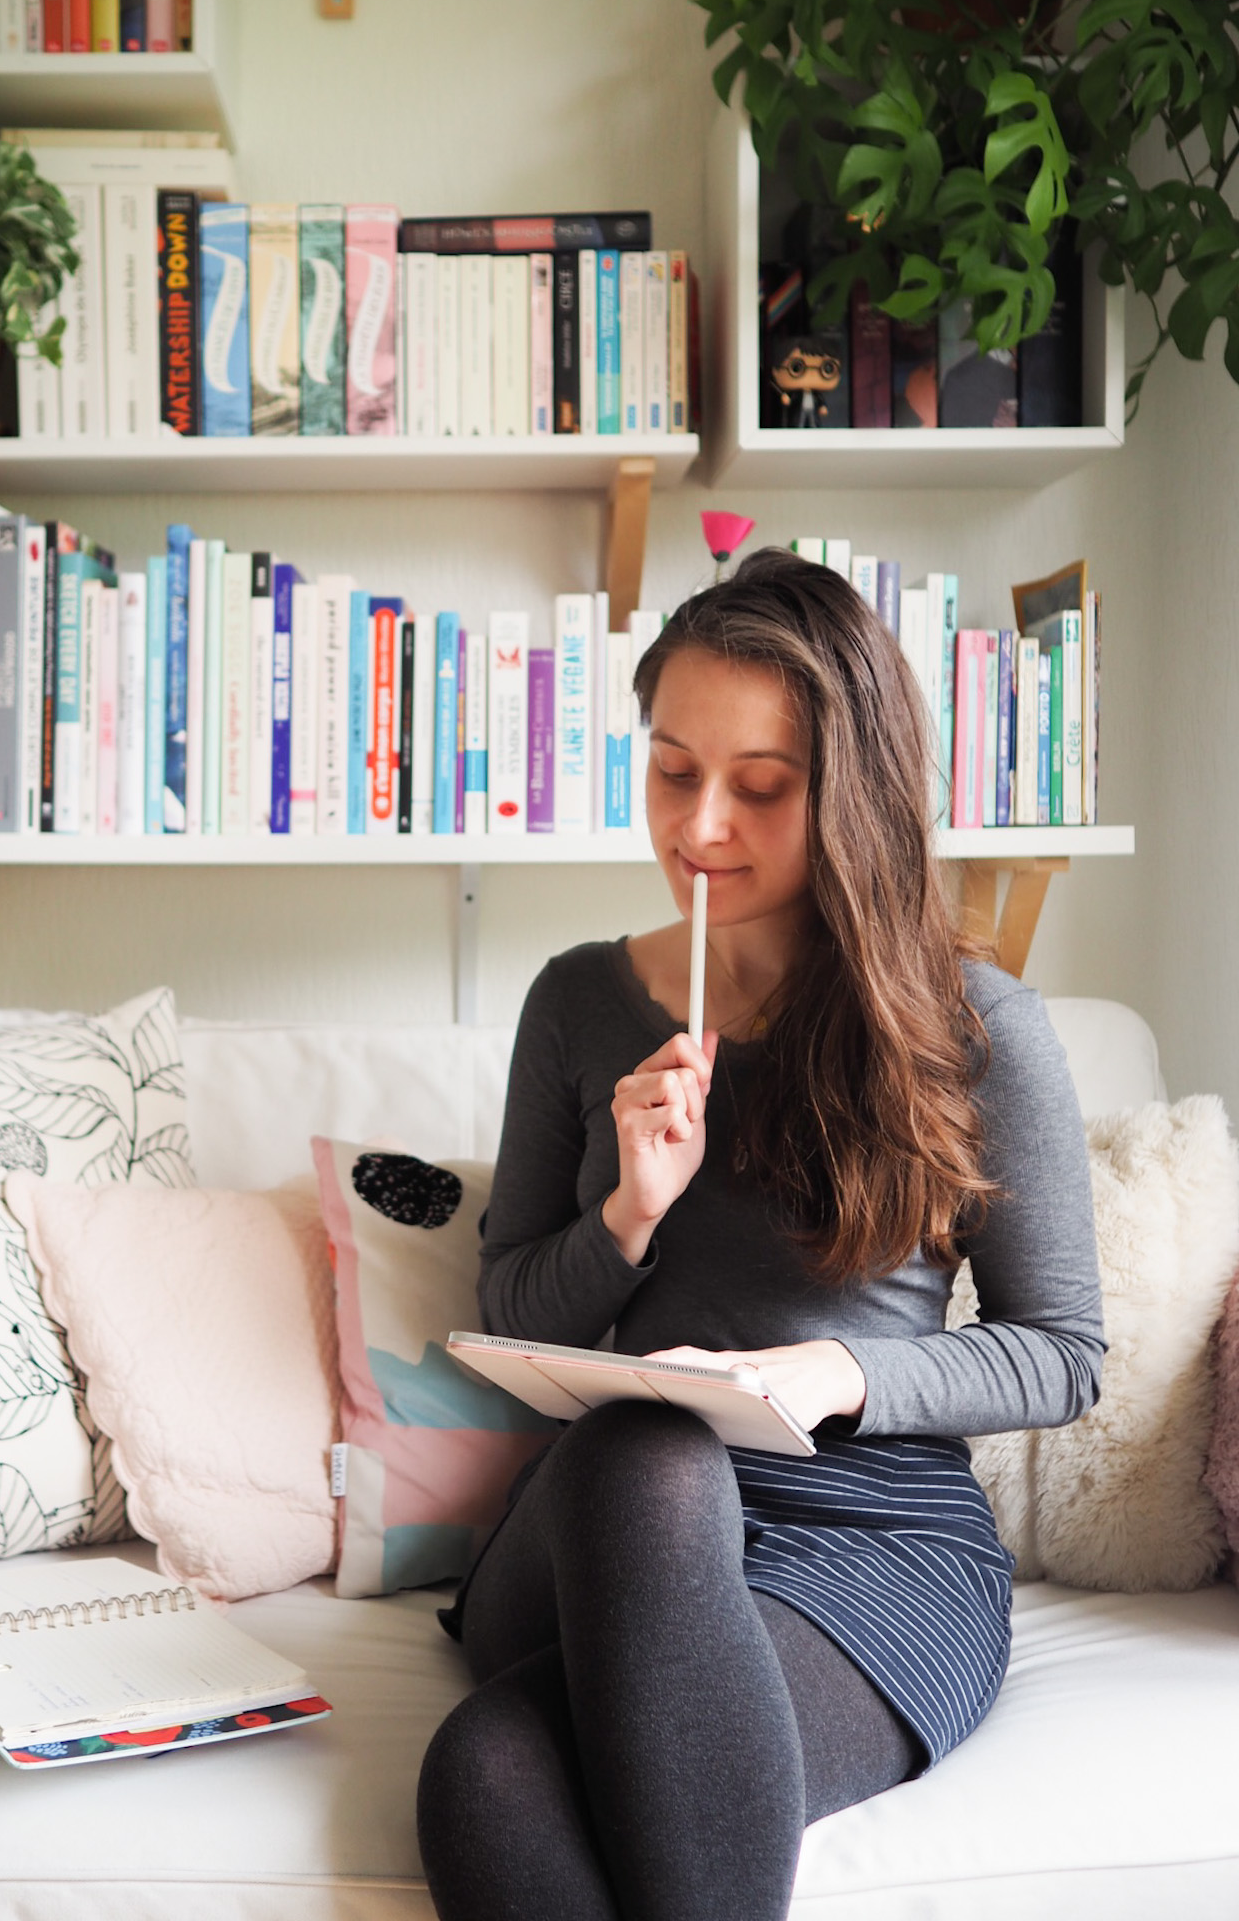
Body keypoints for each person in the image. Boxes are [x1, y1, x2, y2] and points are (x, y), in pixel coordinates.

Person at [415, 548, 1105, 1921]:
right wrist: (628, 1213)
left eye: (763, 787)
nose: (703, 825)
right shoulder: (577, 1006)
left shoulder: (978, 1030)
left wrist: (838, 1378)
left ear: (849, 797)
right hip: (605, 1529)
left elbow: (1064, 1354)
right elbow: (516, 1311)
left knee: (486, 1775)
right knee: (642, 1447)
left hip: (869, 1532)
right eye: (673, 771)